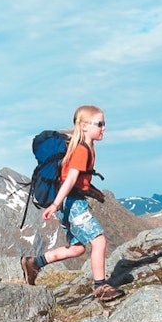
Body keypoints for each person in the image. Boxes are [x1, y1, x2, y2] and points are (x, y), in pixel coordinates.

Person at [21, 105, 121, 301]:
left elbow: (76, 178)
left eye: (104, 124)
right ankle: (100, 287)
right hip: (72, 204)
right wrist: (55, 205)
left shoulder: (84, 146)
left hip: (69, 201)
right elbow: (70, 179)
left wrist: (93, 192)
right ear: (84, 126)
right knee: (99, 241)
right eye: (99, 124)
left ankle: (34, 263)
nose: (104, 128)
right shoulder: (82, 149)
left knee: (77, 248)